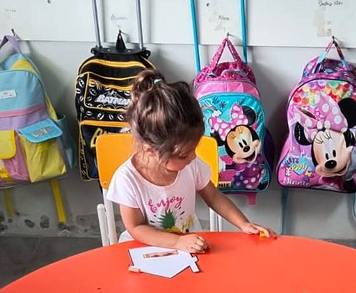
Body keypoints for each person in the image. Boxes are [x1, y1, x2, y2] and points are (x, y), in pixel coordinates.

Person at [106, 70, 273, 252]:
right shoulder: (127, 179)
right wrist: (176, 242)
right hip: (146, 249)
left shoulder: (190, 164)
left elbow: (214, 197)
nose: (193, 157)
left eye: (194, 149)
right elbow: (136, 227)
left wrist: (244, 224)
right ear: (151, 150)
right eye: (184, 154)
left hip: (189, 245)